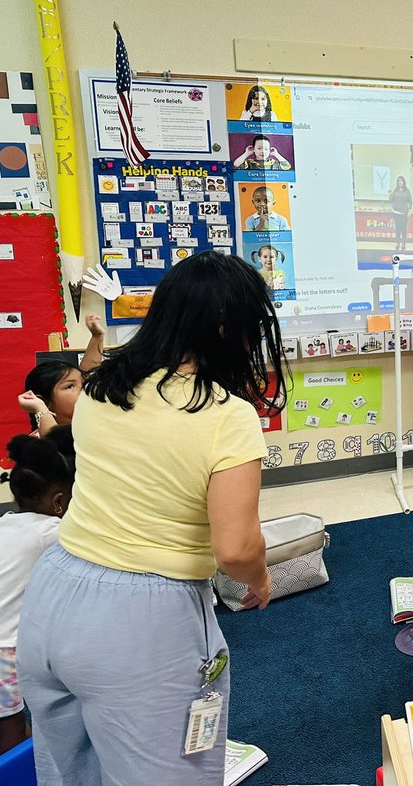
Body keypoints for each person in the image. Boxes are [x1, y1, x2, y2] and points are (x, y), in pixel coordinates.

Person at [16, 251, 282, 785]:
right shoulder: (226, 415)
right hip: (141, 619)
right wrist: (260, 578)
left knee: (70, 771)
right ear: (228, 329)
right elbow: (235, 548)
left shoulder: (101, 386)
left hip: (52, 594)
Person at [0, 429, 74, 755]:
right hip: (4, 648)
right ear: (60, 502)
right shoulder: (50, 531)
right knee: (10, 725)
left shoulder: (8, 522)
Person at [17, 314, 107, 437]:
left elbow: (87, 371)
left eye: (83, 382)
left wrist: (97, 337)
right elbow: (57, 443)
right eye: (69, 386)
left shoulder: (84, 423)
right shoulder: (38, 440)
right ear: (45, 401)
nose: (83, 388)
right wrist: (40, 409)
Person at [390, 175, 413, 251]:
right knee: (397, 229)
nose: (400, 182)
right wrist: (390, 194)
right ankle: (397, 243)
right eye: (398, 181)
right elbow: (391, 200)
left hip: (404, 214)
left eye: (401, 181)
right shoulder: (395, 190)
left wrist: (409, 211)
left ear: (404, 182)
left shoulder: (407, 191)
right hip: (396, 213)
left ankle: (403, 244)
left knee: (403, 230)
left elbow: (410, 201)